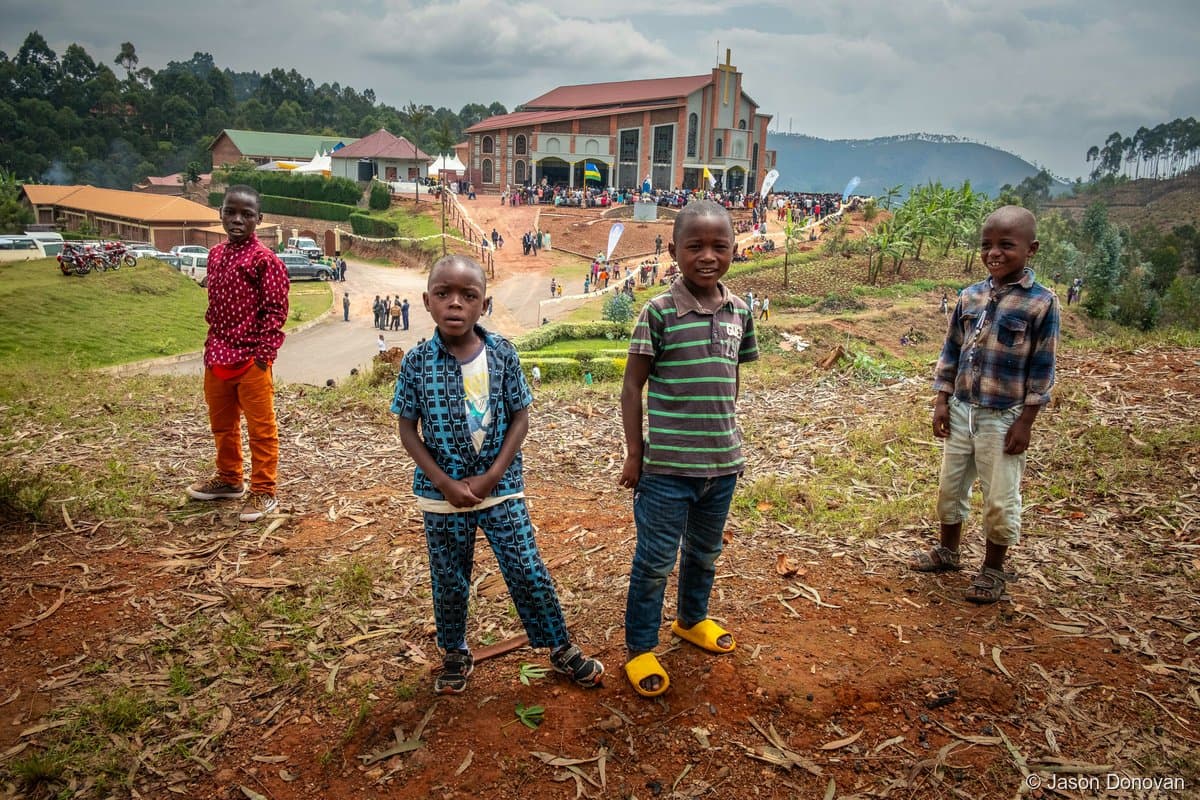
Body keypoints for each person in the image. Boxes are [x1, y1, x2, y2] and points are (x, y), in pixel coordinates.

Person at [391, 255, 604, 694]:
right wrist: (446, 483)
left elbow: (520, 418)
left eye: (468, 296)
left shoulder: (503, 354)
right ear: (426, 302)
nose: (455, 304)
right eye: (443, 294)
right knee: (449, 577)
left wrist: (490, 477)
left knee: (526, 568)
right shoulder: (416, 363)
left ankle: (559, 647)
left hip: (501, 488)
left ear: (483, 305)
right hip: (442, 494)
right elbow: (408, 431)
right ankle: (454, 652)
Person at [618, 200, 758, 697]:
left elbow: (733, 374)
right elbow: (632, 387)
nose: (707, 256)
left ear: (734, 250)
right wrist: (636, 454)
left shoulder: (741, 309)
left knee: (705, 551)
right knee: (655, 560)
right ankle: (640, 648)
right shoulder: (657, 313)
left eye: (719, 246)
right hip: (666, 470)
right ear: (673, 249)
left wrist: (727, 435)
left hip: (721, 466)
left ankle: (691, 619)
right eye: (694, 246)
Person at [909, 206, 1059, 605]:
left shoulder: (1041, 304)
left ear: (1032, 249)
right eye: (987, 245)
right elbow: (951, 351)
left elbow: (1042, 367)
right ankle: (948, 552)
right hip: (961, 409)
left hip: (1003, 415)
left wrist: (1026, 421)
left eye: (1006, 245)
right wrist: (941, 400)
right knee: (950, 487)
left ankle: (993, 571)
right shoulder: (969, 296)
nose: (994, 253)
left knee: (999, 497)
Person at [186, 185, 289, 523]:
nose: (237, 220)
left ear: (259, 219)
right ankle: (230, 479)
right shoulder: (215, 255)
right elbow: (214, 306)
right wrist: (211, 345)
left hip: (252, 360)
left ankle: (263, 490)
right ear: (221, 213)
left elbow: (276, 312)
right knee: (222, 425)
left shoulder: (265, 260)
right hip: (217, 355)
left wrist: (262, 356)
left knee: (261, 428)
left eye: (246, 214)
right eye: (231, 212)